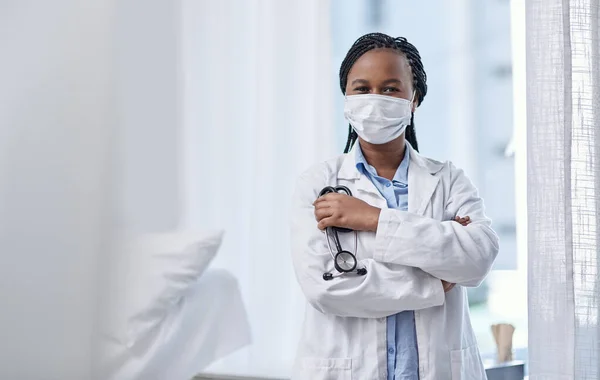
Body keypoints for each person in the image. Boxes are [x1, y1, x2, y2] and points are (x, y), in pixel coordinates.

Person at [290, 33, 499, 380]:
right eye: (362, 88)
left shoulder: (447, 180)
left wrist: (372, 219)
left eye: (390, 89)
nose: (375, 100)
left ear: (414, 99)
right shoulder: (316, 183)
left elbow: (478, 257)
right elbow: (326, 288)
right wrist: (434, 281)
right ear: (346, 97)